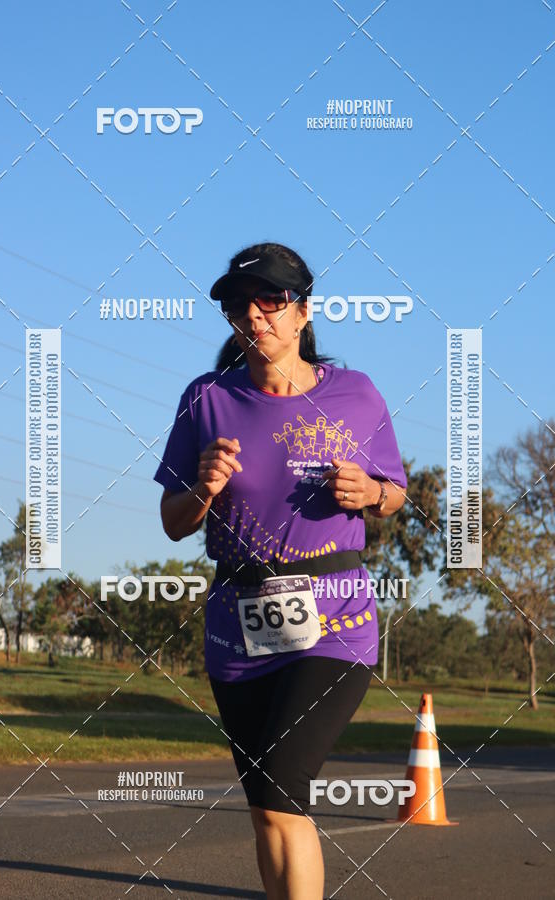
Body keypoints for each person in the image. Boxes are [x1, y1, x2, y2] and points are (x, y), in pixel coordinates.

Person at [154, 242, 407, 899]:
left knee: (280, 790)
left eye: (272, 299)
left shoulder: (355, 395)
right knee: (266, 806)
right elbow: (173, 521)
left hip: (334, 619)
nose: (254, 314)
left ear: (303, 312)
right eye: (240, 304)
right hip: (239, 626)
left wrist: (370, 494)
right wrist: (203, 488)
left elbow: (396, 492)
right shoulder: (205, 400)